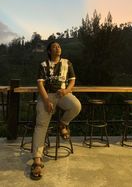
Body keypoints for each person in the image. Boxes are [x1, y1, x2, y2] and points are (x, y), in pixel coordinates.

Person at [30, 40, 81, 180]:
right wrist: (46, 100)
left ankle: (63, 124)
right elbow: (40, 84)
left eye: (59, 46)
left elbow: (72, 81)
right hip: (47, 95)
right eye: (54, 47)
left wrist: (66, 91)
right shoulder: (43, 65)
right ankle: (37, 160)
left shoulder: (67, 63)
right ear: (49, 51)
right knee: (41, 125)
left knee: (76, 106)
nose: (58, 48)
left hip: (62, 94)